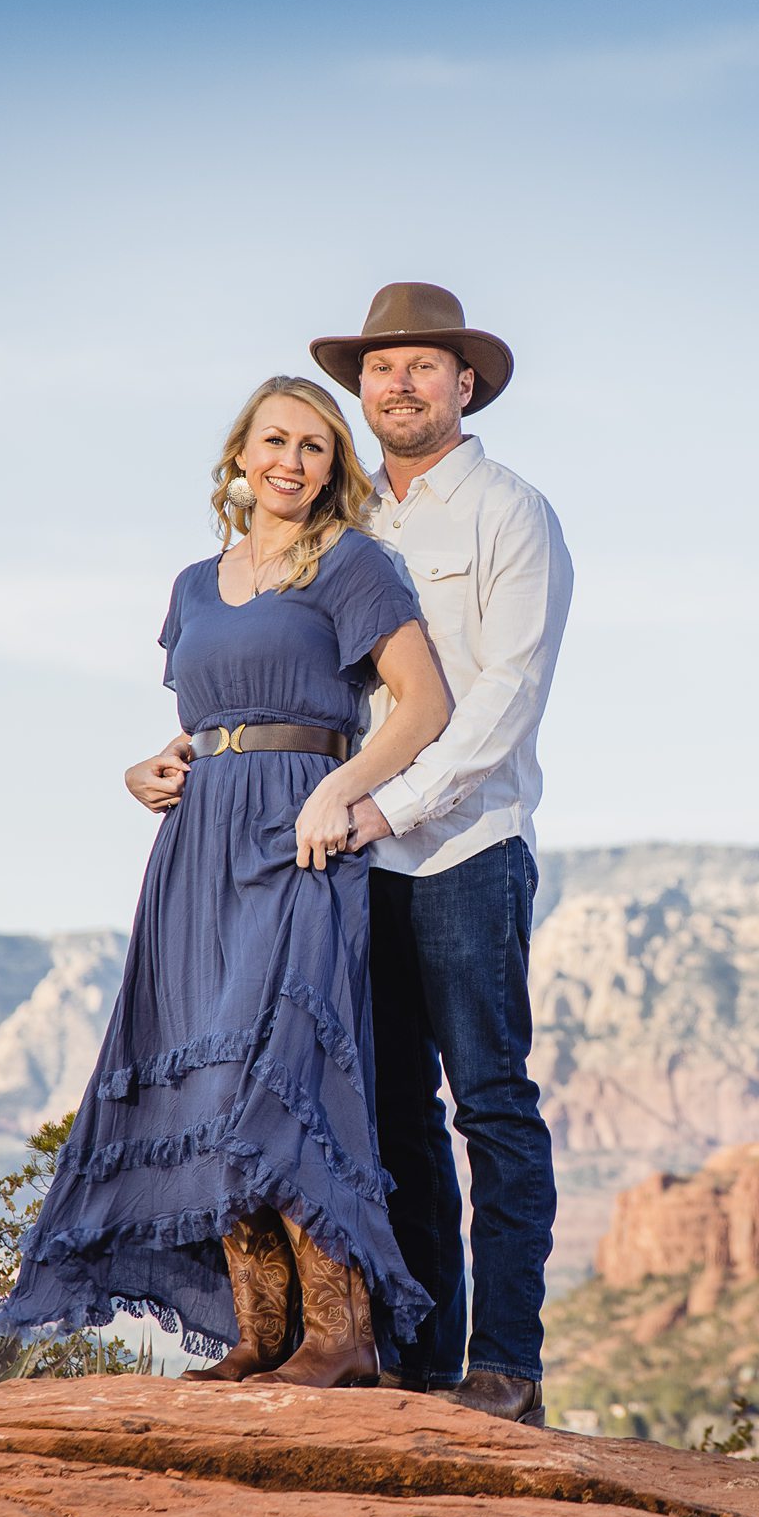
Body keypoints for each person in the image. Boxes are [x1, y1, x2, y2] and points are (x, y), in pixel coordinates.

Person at [0, 374, 451, 1387]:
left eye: (315, 446)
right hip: (197, 842)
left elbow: (424, 705)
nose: (291, 459)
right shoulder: (195, 585)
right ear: (239, 457)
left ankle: (343, 1338)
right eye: (273, 440)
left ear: (334, 469)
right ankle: (262, 1333)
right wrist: (146, 767)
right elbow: (215, 718)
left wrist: (344, 789)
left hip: (301, 837)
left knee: (281, 1061)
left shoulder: (355, 563)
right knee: (205, 1068)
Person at [309, 283, 574, 1425]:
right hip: (359, 858)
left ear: (466, 384)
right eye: (380, 368)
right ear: (358, 389)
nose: (399, 384)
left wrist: (393, 806)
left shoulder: (512, 513)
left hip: (466, 847)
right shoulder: (343, 526)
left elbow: (505, 697)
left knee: (492, 1107)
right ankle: (418, 1360)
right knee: (393, 1116)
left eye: (423, 366)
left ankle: (505, 1363)